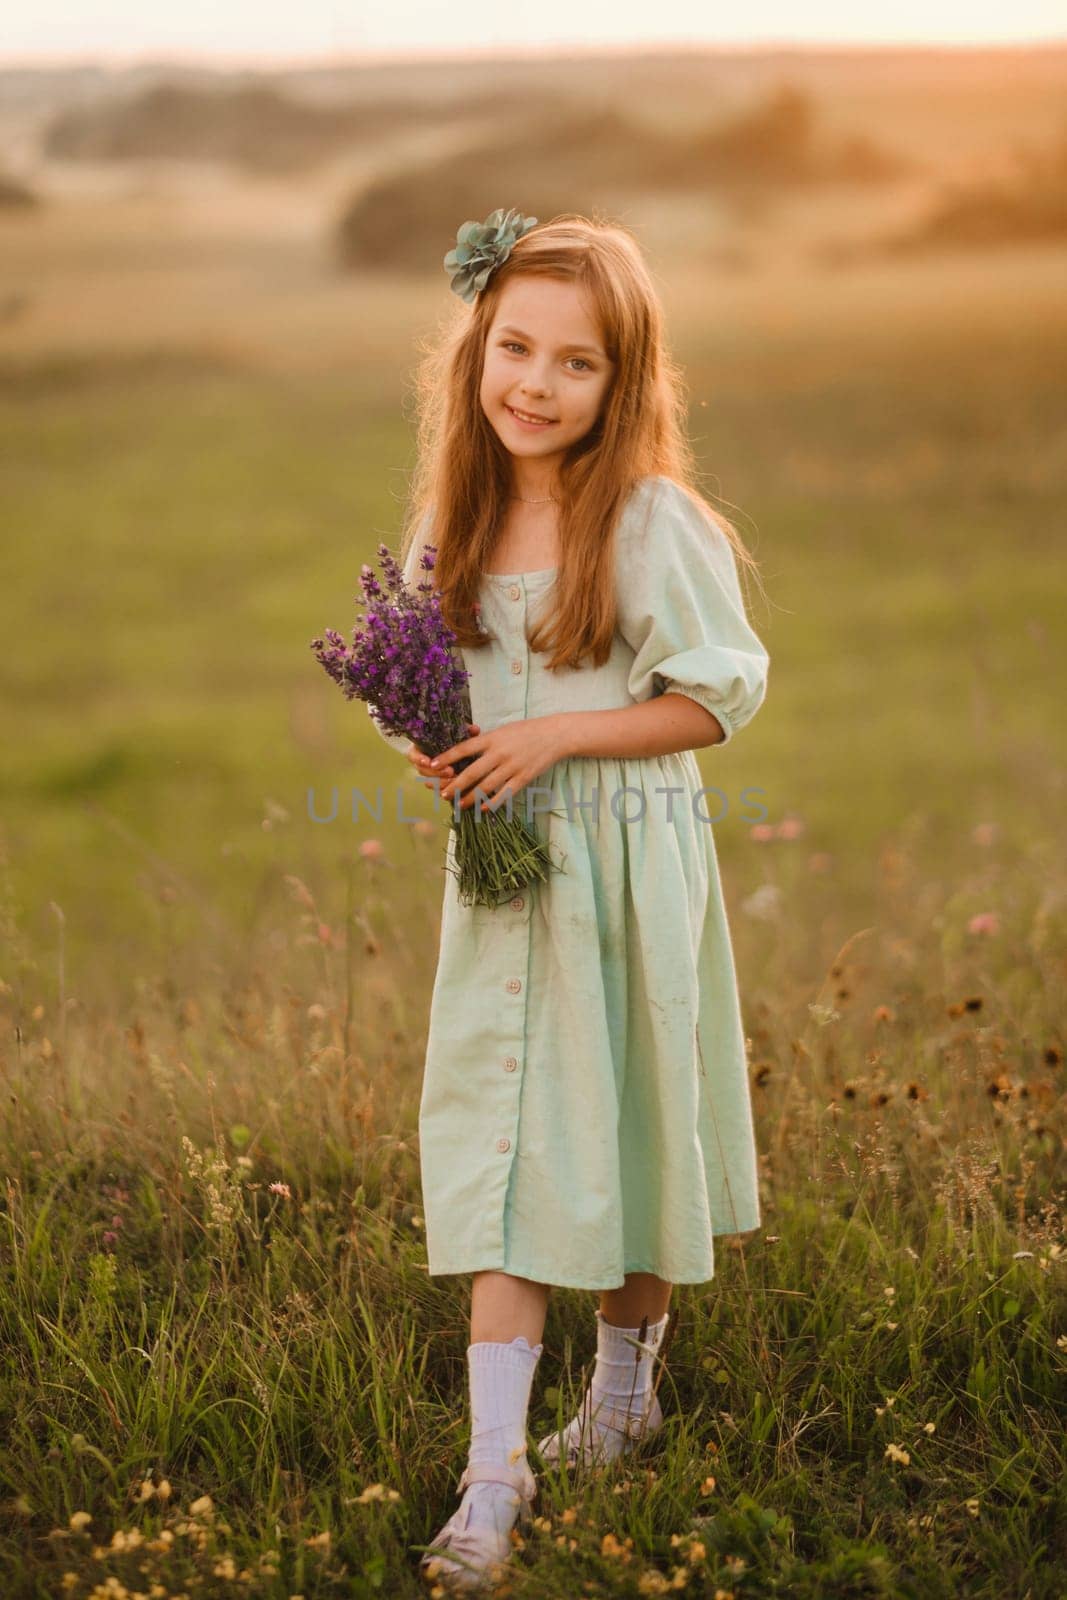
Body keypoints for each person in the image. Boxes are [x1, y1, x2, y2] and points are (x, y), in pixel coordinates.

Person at [366, 208, 771, 1592]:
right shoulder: (454, 519)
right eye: (515, 349)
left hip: (626, 874)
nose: (534, 384)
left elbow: (715, 699)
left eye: (575, 363)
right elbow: (415, 675)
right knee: (506, 1144)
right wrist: (428, 739)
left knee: (628, 1124)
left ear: (624, 380)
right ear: (476, 347)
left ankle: (620, 1398)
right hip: (501, 886)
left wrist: (551, 738)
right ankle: (496, 1471)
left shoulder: (653, 520)